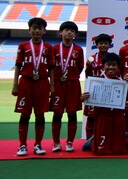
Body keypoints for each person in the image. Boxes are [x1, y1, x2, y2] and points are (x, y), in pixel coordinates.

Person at [12, 17, 55, 156]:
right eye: (34, 28)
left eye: (40, 28)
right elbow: (18, 66)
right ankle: (22, 145)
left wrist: (52, 85)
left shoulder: (48, 47)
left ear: (44, 31)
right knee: (25, 114)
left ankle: (38, 144)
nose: (37, 31)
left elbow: (52, 68)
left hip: (42, 82)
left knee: (40, 114)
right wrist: (15, 85)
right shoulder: (23, 46)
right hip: (26, 81)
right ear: (29, 30)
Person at [81, 53, 128, 155]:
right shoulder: (96, 81)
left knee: (118, 151)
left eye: (114, 65)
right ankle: (92, 141)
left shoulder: (122, 82)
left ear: (118, 67)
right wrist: (83, 98)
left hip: (118, 116)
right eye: (108, 65)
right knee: (101, 151)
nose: (111, 67)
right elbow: (87, 98)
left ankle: (95, 140)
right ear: (103, 66)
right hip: (102, 116)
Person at [50, 21, 84, 153]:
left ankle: (70, 142)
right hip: (58, 84)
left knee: (72, 113)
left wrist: (71, 76)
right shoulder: (54, 49)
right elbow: (51, 68)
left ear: (75, 34)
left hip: (72, 83)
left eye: (72, 30)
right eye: (66, 30)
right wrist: (53, 83)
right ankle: (56, 142)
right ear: (60, 32)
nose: (69, 32)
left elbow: (80, 66)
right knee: (57, 113)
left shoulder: (78, 50)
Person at [83, 33, 112, 139]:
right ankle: (88, 141)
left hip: (107, 92)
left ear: (109, 45)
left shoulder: (111, 59)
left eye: (105, 43)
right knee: (91, 117)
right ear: (97, 45)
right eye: (101, 43)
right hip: (93, 92)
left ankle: (103, 139)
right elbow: (87, 75)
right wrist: (88, 67)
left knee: (105, 117)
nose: (103, 45)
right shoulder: (91, 58)